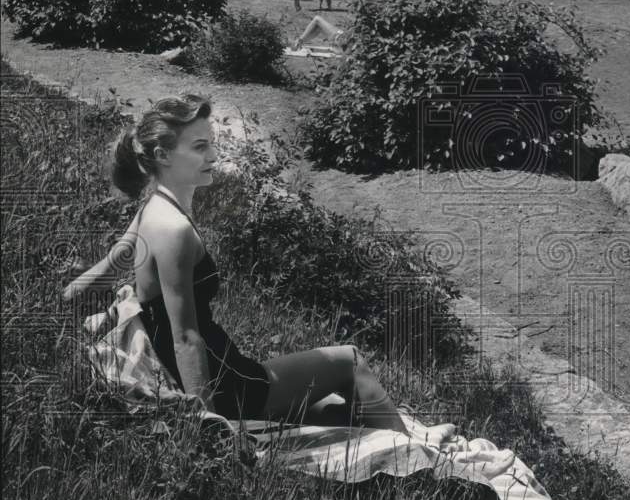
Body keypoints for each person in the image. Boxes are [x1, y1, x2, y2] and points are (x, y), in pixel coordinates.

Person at [61, 96, 457, 438]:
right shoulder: (175, 229)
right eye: (200, 147)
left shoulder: (155, 204)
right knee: (350, 362)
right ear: (163, 156)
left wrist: (67, 299)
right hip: (227, 381)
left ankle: (392, 432)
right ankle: (411, 450)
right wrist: (208, 423)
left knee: (334, 410)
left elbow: (113, 262)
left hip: (222, 368)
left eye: (211, 144)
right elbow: (186, 339)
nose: (214, 156)